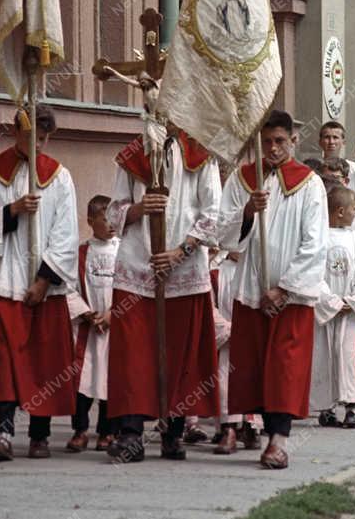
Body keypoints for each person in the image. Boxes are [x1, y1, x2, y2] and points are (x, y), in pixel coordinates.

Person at [217, 109, 328, 469]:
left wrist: (285, 288)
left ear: (293, 140)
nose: (274, 148)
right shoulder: (243, 179)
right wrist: (248, 212)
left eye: (280, 141)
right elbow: (222, 232)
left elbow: (315, 243)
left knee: (285, 367)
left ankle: (279, 441)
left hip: (290, 296)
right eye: (266, 142)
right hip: (252, 289)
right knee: (256, 367)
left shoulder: (309, 184)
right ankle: (260, 432)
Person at [0, 105, 79, 461]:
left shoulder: (59, 178)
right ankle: (2, 433)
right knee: (6, 358)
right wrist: (11, 211)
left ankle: (40, 435)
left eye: (45, 139)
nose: (39, 146)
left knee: (43, 359)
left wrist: (45, 280)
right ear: (17, 131)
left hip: (43, 286)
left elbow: (66, 233)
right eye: (33, 137)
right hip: (5, 280)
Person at [106, 127, 222, 463]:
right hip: (136, 266)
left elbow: (211, 214)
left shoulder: (200, 153)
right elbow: (114, 212)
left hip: (182, 269)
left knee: (180, 353)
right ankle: (131, 435)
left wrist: (179, 252)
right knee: (133, 354)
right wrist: (139, 209)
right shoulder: (133, 154)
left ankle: (173, 431)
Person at [311, 186, 355, 428]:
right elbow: (315, 275)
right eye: (353, 210)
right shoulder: (319, 240)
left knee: (347, 357)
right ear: (339, 211)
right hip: (327, 312)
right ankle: (326, 408)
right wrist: (332, 302)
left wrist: (354, 300)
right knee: (323, 356)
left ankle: (351, 407)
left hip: (349, 313)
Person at [65, 195, 121, 452]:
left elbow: (131, 286)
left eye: (114, 219)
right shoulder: (80, 253)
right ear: (90, 221)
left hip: (114, 325)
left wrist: (113, 314)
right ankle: (80, 429)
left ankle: (107, 432)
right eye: (105, 219)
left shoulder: (124, 250)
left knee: (111, 379)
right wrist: (87, 314)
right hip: (87, 328)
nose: (111, 225)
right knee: (83, 380)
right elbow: (67, 288)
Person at [210, 249, 261, 455]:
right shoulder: (214, 273)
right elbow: (209, 308)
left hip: (251, 340)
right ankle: (228, 429)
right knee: (224, 385)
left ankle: (251, 428)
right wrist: (231, 330)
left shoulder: (258, 270)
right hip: (227, 342)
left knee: (252, 381)